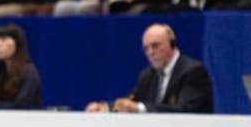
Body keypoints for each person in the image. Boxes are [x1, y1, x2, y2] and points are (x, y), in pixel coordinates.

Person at [86, 24, 214, 114]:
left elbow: (185, 110)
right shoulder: (148, 75)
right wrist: (106, 108)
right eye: (146, 48)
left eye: (155, 46)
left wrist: (140, 108)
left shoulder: (193, 71)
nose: (150, 52)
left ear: (172, 44)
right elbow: (131, 101)